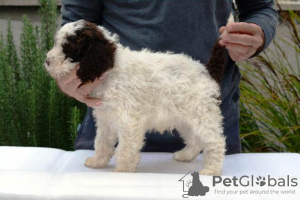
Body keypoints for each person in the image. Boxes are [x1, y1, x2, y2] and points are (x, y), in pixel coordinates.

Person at [58, 0, 278, 154]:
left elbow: (261, 8)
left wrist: (258, 32)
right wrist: (68, 74)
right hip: (114, 122)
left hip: (204, 112)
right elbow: (76, 19)